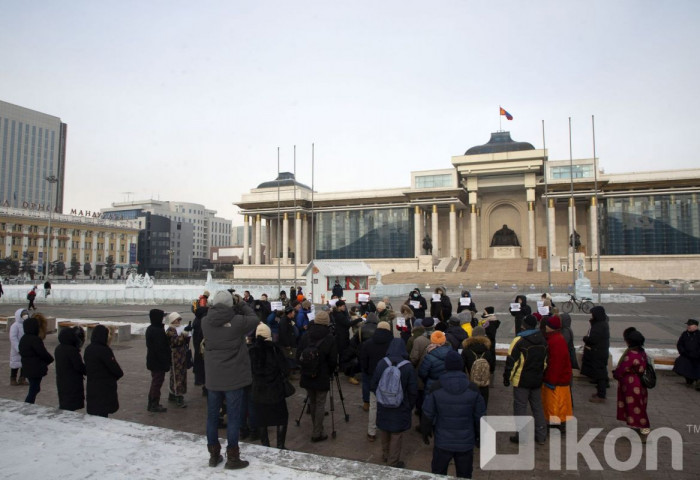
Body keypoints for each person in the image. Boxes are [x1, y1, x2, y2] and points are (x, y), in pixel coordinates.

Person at [202, 290, 260, 469]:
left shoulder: (205, 322)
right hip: (234, 376)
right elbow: (255, 317)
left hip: (213, 377)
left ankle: (213, 455)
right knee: (234, 417)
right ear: (231, 304)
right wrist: (241, 303)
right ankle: (233, 457)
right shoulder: (237, 322)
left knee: (212, 417)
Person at [422, 350, 485, 478]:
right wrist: (480, 436)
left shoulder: (436, 387)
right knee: (464, 474)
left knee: (438, 474)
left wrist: (425, 431)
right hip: (466, 441)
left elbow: (427, 413)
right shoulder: (473, 388)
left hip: (442, 441)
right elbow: (480, 416)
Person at [371, 338, 418, 469]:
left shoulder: (382, 363)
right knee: (396, 434)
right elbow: (412, 389)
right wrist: (409, 405)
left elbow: (374, 383)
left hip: (383, 404)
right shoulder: (408, 366)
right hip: (400, 405)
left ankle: (385, 455)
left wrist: (381, 397)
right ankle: (393, 461)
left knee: (384, 429)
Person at [503, 314, 548, 445]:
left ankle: (521, 436)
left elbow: (511, 361)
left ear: (524, 325)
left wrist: (507, 377)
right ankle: (541, 435)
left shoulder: (519, 340)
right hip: (537, 379)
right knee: (537, 407)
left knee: (520, 408)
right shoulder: (543, 340)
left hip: (521, 380)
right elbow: (545, 362)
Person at [296, 309, 337, 443]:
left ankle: (317, 428)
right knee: (320, 403)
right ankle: (317, 431)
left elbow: (298, 356)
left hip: (307, 374)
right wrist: (330, 372)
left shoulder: (306, 335)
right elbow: (332, 360)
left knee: (312, 402)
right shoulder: (330, 337)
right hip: (322, 375)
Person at [249, 323, 289, 449]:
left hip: (258, 390)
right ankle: (280, 445)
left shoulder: (251, 351)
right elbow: (285, 369)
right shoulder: (275, 350)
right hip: (275, 389)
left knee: (261, 419)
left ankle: (265, 445)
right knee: (282, 417)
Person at [613, 327, 650, 442]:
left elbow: (622, 369)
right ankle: (637, 428)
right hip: (640, 383)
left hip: (631, 384)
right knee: (639, 405)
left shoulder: (631, 355)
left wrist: (616, 374)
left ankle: (642, 430)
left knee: (633, 406)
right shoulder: (642, 352)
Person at [359, 321, 394, 441]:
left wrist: (368, 372)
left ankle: (371, 431)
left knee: (373, 405)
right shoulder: (392, 343)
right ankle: (387, 429)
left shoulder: (368, 343)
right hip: (389, 378)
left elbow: (363, 361)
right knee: (389, 404)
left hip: (373, 376)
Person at [541, 315, 573, 430]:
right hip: (559, 378)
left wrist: (551, 380)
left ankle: (556, 424)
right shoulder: (556, 338)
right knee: (559, 403)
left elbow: (556, 363)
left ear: (551, 327)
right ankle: (558, 422)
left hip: (557, 379)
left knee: (556, 403)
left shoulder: (555, 341)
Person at [84, 324, 124, 417]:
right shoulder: (104, 350)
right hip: (104, 387)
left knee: (95, 411)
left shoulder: (88, 348)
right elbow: (115, 369)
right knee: (102, 412)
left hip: (92, 385)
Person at [19, 315, 54, 404]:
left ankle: (29, 404)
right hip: (35, 368)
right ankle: (28, 405)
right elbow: (42, 353)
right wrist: (50, 359)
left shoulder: (24, 338)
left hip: (27, 367)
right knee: (34, 389)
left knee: (34, 388)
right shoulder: (35, 340)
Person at [581, 306, 610, 403]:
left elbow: (592, 339)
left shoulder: (599, 326)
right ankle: (600, 392)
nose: (591, 316)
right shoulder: (601, 323)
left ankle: (601, 395)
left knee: (600, 374)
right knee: (600, 372)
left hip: (598, 352)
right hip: (601, 351)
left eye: (593, 314)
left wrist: (585, 338)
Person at [461, 325, 494, 408]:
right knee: (482, 406)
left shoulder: (466, 350)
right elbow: (492, 367)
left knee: (470, 407)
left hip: (470, 383)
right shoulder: (487, 350)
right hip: (484, 384)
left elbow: (462, 368)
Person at [55, 326, 86, 411]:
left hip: (62, 379)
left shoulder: (59, 348)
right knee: (71, 404)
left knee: (65, 402)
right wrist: (88, 370)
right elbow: (79, 366)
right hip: (72, 381)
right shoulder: (72, 350)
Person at [145, 309, 171, 413]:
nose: (163, 319)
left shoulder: (152, 328)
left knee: (156, 382)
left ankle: (153, 403)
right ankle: (153, 404)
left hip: (153, 360)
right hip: (157, 362)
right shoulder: (156, 331)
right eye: (161, 317)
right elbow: (160, 349)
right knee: (157, 382)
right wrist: (166, 362)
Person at [332, 299, 362, 384]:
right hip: (341, 336)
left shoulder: (340, 313)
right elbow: (348, 323)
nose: (344, 307)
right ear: (339, 307)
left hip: (343, 334)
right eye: (343, 306)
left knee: (343, 350)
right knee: (342, 351)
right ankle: (342, 367)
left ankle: (342, 365)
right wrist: (358, 319)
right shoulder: (339, 315)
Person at [165, 312, 190, 408]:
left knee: (178, 375)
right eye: (177, 319)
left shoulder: (177, 329)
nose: (179, 321)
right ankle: (179, 397)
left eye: (180, 319)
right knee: (177, 376)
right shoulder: (170, 330)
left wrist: (187, 335)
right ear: (172, 320)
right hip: (175, 357)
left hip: (181, 356)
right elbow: (176, 341)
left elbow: (183, 341)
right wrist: (184, 334)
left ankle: (172, 394)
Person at [673, 319, 700, 389]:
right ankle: (689, 380)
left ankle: (697, 380)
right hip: (686, 355)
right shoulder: (685, 334)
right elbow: (679, 344)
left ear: (696, 326)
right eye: (688, 325)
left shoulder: (699, 335)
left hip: (697, 356)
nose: (688, 326)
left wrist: (696, 354)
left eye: (690, 325)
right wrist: (683, 352)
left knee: (696, 365)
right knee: (681, 363)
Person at [10, 308, 29, 386]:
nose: (25, 316)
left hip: (26, 347)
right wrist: (18, 348)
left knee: (24, 364)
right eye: (23, 314)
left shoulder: (27, 324)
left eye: (26, 314)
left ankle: (22, 378)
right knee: (15, 364)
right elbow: (13, 337)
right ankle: (13, 378)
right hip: (16, 348)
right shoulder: (15, 325)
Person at [192, 306, 208, 396]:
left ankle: (198, 380)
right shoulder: (203, 321)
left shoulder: (197, 320)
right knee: (204, 367)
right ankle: (205, 387)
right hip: (202, 348)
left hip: (198, 347)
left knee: (199, 365)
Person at [278, 305, 299, 372]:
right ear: (290, 313)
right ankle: (290, 373)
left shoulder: (289, 320)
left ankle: (293, 371)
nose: (294, 313)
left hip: (291, 343)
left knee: (292, 357)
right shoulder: (284, 321)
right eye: (293, 312)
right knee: (289, 358)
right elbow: (283, 334)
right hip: (287, 344)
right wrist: (287, 344)